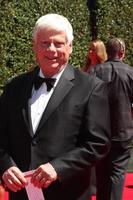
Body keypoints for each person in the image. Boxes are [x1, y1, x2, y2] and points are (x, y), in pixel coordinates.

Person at [0, 13, 110, 200]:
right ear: (35, 46)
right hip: (21, 194)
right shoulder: (13, 87)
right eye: (44, 43)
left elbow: (98, 144)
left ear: (70, 47)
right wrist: (5, 167)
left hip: (68, 193)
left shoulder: (91, 87)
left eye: (58, 43)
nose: (51, 49)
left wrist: (58, 168)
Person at [93, 38, 133, 200]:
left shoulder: (95, 72)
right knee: (116, 175)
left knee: (101, 174)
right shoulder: (130, 72)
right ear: (122, 53)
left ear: (107, 52)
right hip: (123, 132)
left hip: (99, 133)